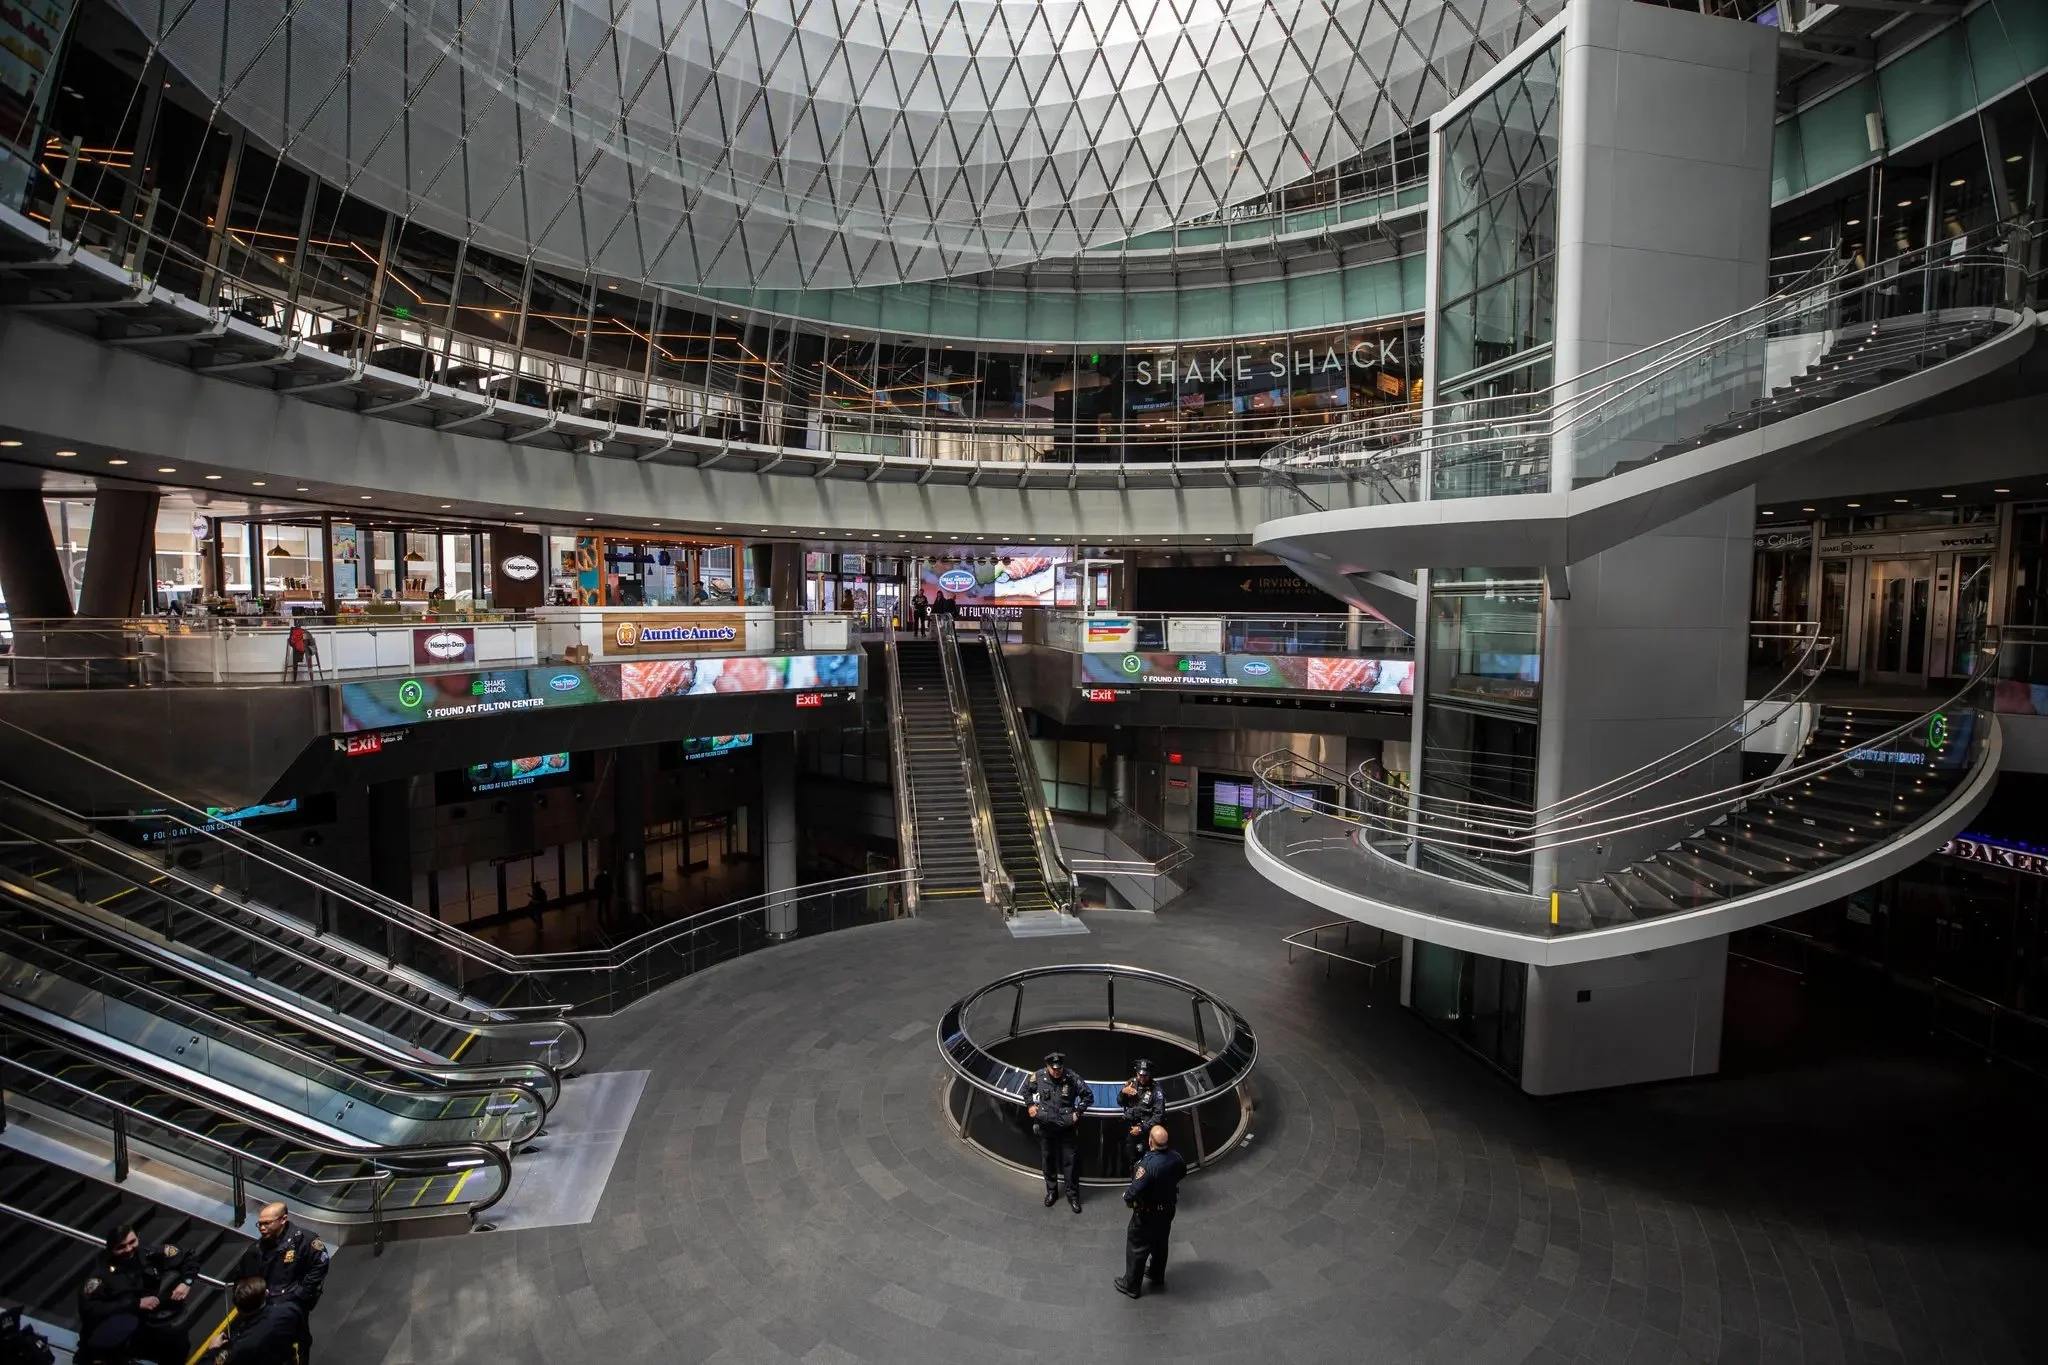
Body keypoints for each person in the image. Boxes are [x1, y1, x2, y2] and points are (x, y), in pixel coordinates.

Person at [77, 1223, 196, 1365]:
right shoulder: (100, 1274)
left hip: (141, 1326)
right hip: (110, 1334)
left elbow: (188, 1257)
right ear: (111, 1249)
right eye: (121, 1247)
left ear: (137, 1237)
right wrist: (136, 1304)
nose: (128, 1249)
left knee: (178, 1342)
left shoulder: (148, 1254)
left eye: (132, 1242)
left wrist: (186, 1281)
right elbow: (90, 1310)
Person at [231, 1204, 328, 1365]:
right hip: (264, 1306)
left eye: (267, 1223)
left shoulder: (304, 1239)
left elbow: (321, 1263)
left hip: (291, 1303)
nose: (262, 1228)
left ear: (283, 1219)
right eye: (260, 1224)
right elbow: (241, 1276)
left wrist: (300, 1293)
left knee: (297, 1345)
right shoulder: (256, 1249)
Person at [1114, 1124, 1187, 1300]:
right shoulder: (1176, 1158)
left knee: (1137, 1247)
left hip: (1148, 1214)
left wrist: (1128, 1198)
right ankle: (1156, 1273)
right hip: (1168, 1209)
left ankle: (1131, 1285)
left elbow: (1133, 1191)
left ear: (1150, 1142)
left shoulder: (1147, 1165)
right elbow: (1182, 1172)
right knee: (1161, 1243)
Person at [1024, 1050, 1089, 1212]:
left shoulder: (1072, 1078)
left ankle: (1073, 1195)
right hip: (1046, 1127)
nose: (1057, 1071)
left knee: (1071, 1163)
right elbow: (1026, 1090)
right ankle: (1051, 1192)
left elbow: (1088, 1096)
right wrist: (1030, 1105)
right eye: (1053, 1068)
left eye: (1059, 1068)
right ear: (1047, 1067)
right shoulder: (1039, 1076)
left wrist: (1078, 1112)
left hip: (1067, 1127)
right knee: (1048, 1160)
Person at [204, 1278, 303, 1365]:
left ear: (239, 1309)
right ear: (265, 1294)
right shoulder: (289, 1310)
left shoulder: (240, 1346)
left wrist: (212, 1350)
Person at [1118, 1059, 1166, 1172]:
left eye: (1145, 1075)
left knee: (1149, 1163)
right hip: (1131, 1130)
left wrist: (1141, 1129)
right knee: (1133, 1162)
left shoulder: (1156, 1091)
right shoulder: (1131, 1084)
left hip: (1146, 1132)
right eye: (1140, 1075)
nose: (1142, 1078)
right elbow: (1120, 1102)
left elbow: (1159, 1116)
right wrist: (1123, 1092)